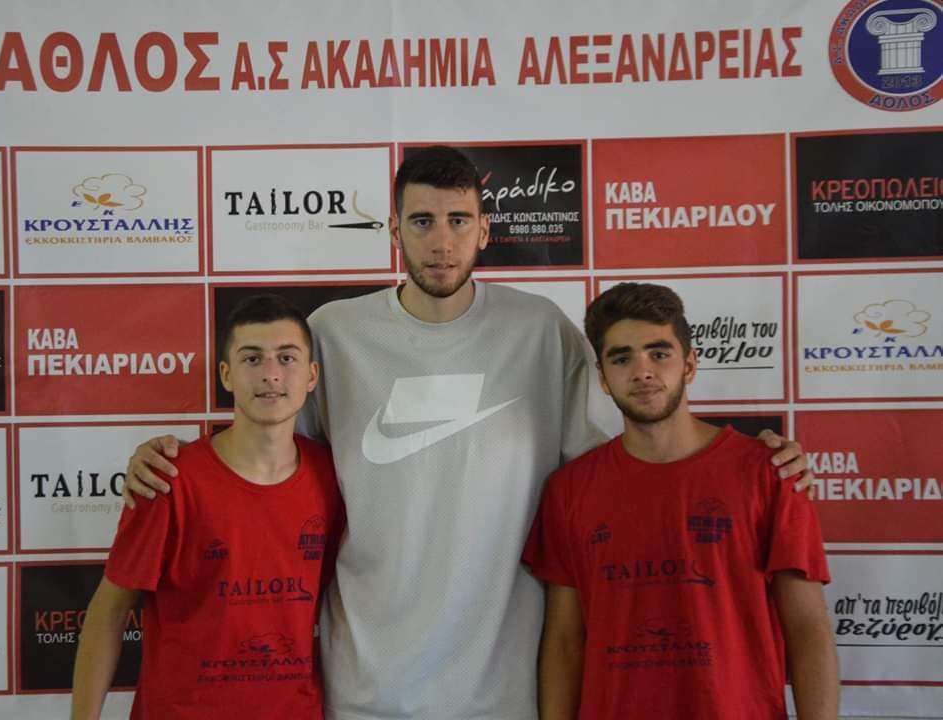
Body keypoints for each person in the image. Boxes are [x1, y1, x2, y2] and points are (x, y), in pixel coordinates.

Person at [122, 146, 814, 719]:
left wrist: (748, 462)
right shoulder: (333, 332)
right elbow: (264, 465)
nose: (441, 241)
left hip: (503, 689)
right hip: (364, 686)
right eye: (421, 221)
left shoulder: (541, 331)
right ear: (394, 232)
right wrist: (171, 462)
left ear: (484, 231)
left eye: (458, 220)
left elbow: (629, 465)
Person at [523, 282, 838, 720]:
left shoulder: (771, 474)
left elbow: (808, 631)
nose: (642, 371)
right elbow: (564, 642)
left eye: (659, 353)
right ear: (603, 376)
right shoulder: (569, 490)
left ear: (689, 365)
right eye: (622, 358)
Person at [70, 294, 344, 720]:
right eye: (252, 358)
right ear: (226, 375)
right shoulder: (168, 479)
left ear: (311, 376)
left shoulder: (334, 478)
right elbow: (109, 612)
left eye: (286, 358)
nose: (271, 374)